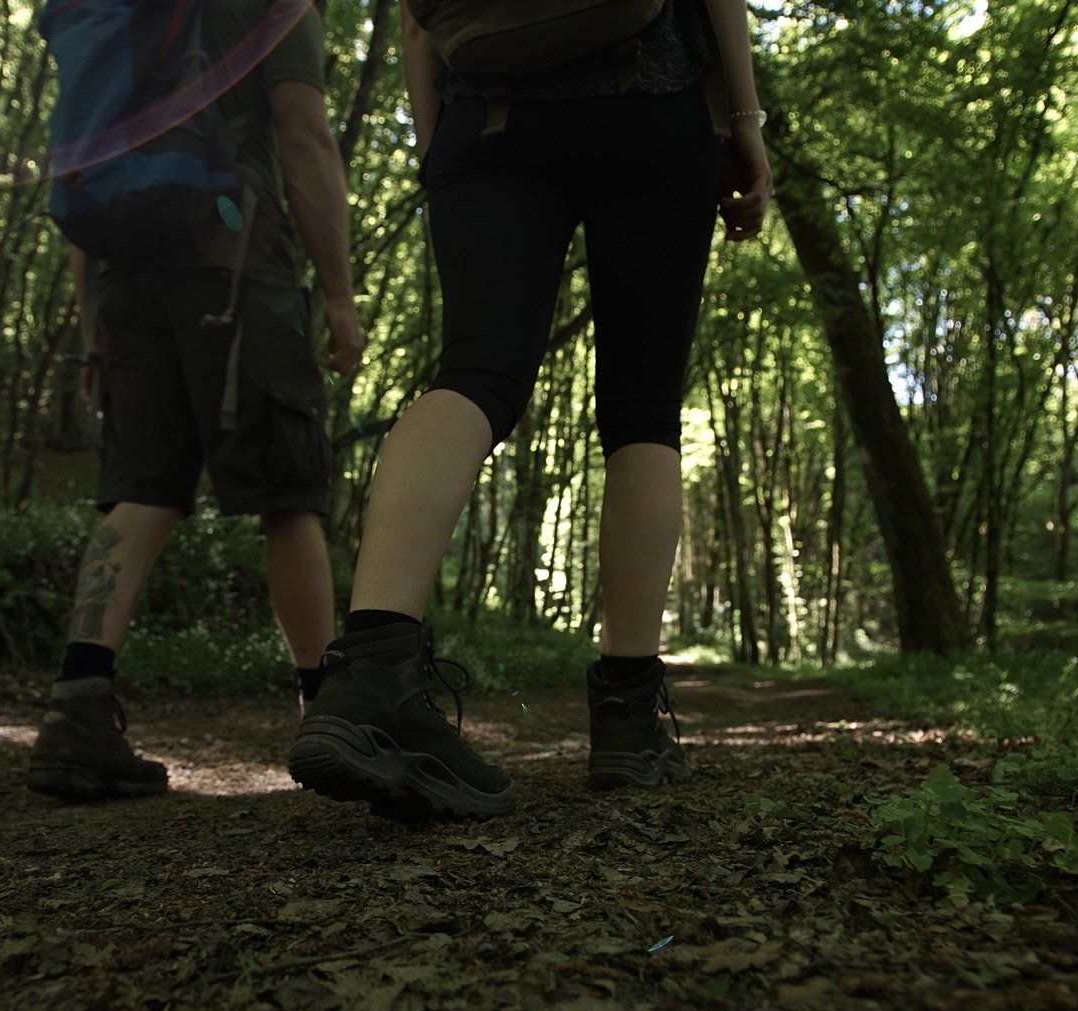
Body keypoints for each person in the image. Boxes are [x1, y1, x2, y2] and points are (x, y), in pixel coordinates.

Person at [287, 0, 772, 822]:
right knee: (644, 411)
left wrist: (437, 147)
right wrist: (742, 122)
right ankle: (628, 719)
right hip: (652, 106)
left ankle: (371, 674)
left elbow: (416, 22)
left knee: (474, 373)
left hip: (483, 119)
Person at [28, 0, 365, 801]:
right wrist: (339, 296)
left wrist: (94, 330)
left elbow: (88, 173)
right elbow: (306, 140)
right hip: (240, 261)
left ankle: (77, 712)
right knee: (288, 490)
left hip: (124, 277)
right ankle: (329, 715)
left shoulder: (114, 12)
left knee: (142, 491)